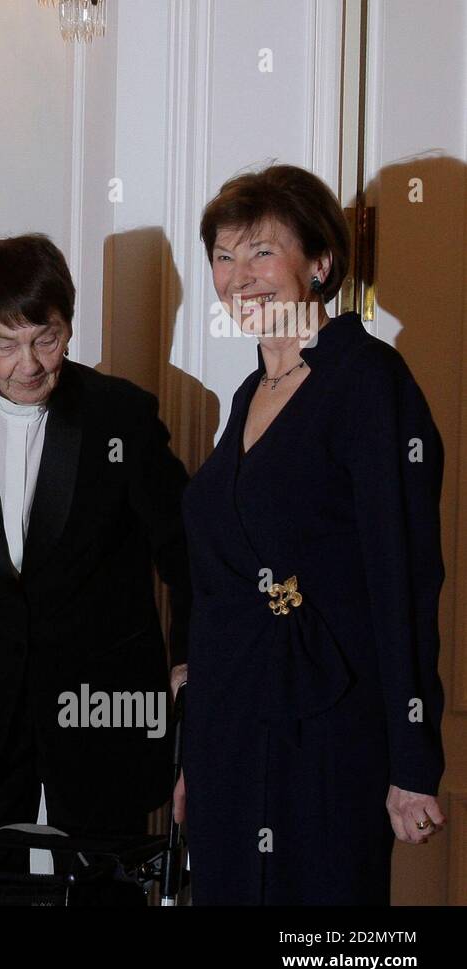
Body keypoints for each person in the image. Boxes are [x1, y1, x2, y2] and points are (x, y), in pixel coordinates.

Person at [179, 164, 447, 904]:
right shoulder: (246, 393)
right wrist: (193, 757)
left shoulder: (368, 379)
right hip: (232, 732)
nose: (240, 277)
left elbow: (404, 576)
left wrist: (412, 759)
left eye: (263, 252)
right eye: (224, 257)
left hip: (329, 726)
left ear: (320, 263)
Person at [0, 233, 191, 871]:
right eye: (4, 343)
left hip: (104, 703)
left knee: (103, 882)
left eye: (45, 340)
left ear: (68, 325)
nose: (27, 364)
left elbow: (183, 550)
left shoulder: (122, 416)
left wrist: (188, 659)